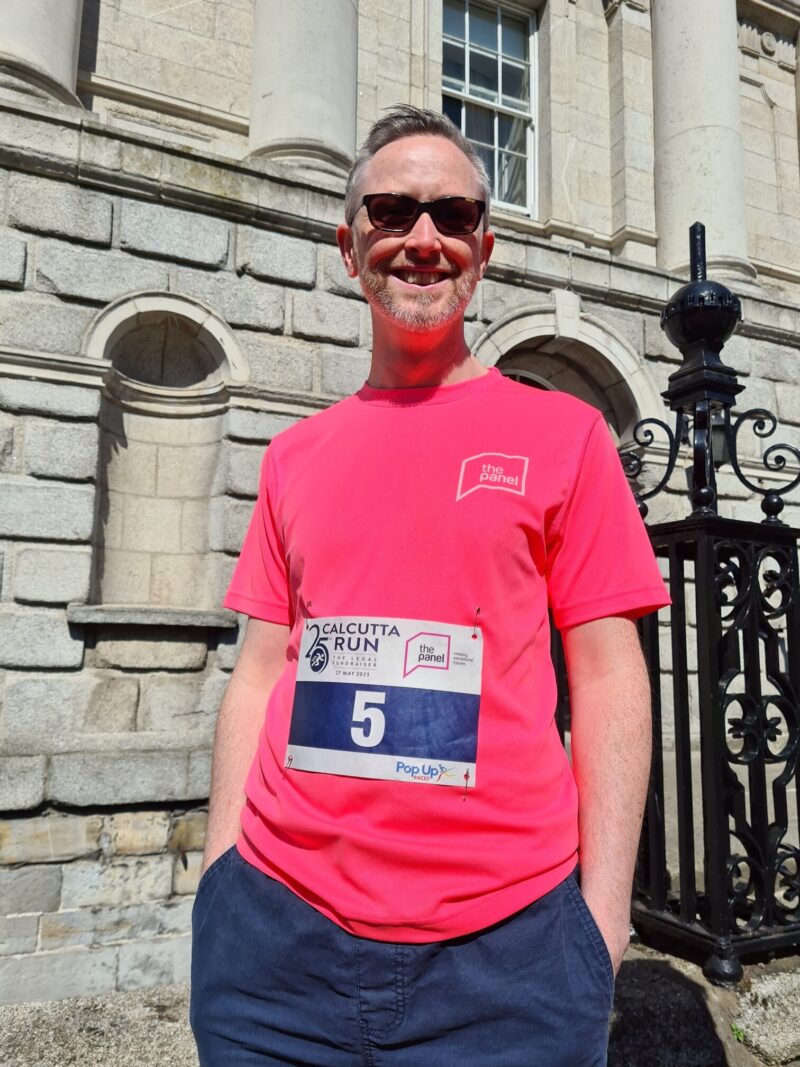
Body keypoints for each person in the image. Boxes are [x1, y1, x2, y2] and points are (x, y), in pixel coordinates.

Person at [190, 105, 670, 1066]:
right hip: (273, 944)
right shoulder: (293, 456)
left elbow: (610, 676)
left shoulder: (566, 437)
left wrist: (602, 927)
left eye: (452, 215)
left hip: (509, 963)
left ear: (483, 250)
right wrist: (218, 877)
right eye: (392, 211)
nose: (423, 238)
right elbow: (261, 671)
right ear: (349, 245)